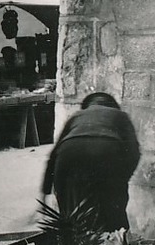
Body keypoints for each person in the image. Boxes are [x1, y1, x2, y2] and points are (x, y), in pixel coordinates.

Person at [41, 91, 141, 232]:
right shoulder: (121, 116)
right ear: (113, 105)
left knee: (71, 216)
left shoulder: (76, 116)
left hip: (67, 156)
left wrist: (45, 191)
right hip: (106, 152)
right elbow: (134, 152)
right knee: (113, 212)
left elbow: (53, 155)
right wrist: (121, 179)